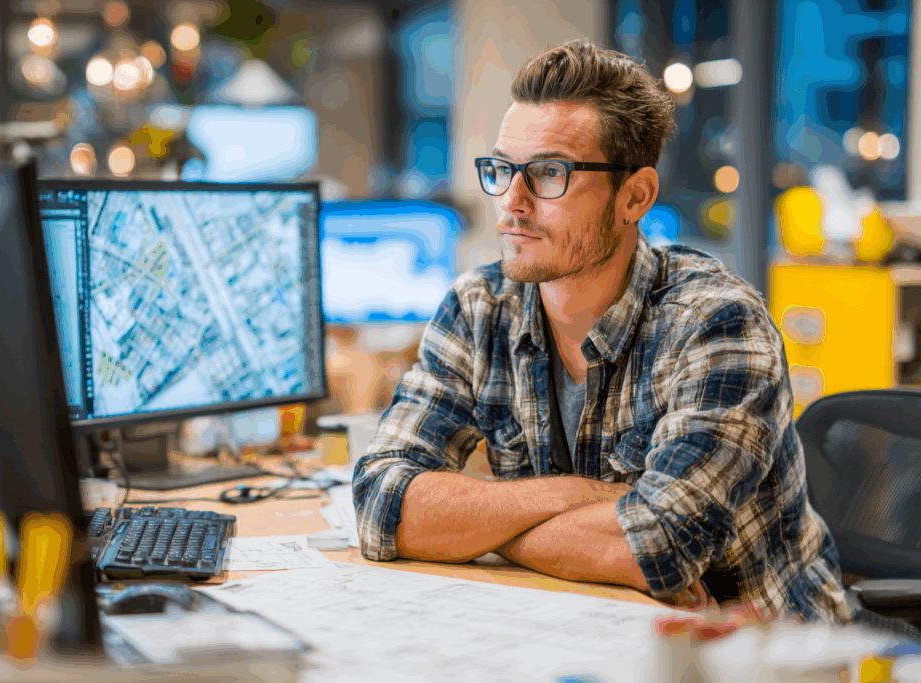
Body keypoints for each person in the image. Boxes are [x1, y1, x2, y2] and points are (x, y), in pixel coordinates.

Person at [351, 37, 852, 625]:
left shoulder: (716, 323)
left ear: (634, 196)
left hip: (758, 654)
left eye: (549, 173)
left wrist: (471, 528)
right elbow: (381, 503)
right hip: (587, 624)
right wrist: (581, 501)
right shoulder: (478, 307)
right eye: (502, 170)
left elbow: (659, 547)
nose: (512, 202)